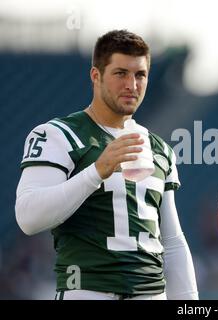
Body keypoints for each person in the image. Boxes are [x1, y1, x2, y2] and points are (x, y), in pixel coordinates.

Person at [15, 30, 198, 300]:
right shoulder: (58, 135)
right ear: (96, 76)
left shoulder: (159, 148)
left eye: (140, 75)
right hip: (87, 290)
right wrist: (96, 172)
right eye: (120, 73)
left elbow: (172, 242)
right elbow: (28, 218)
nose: (132, 85)